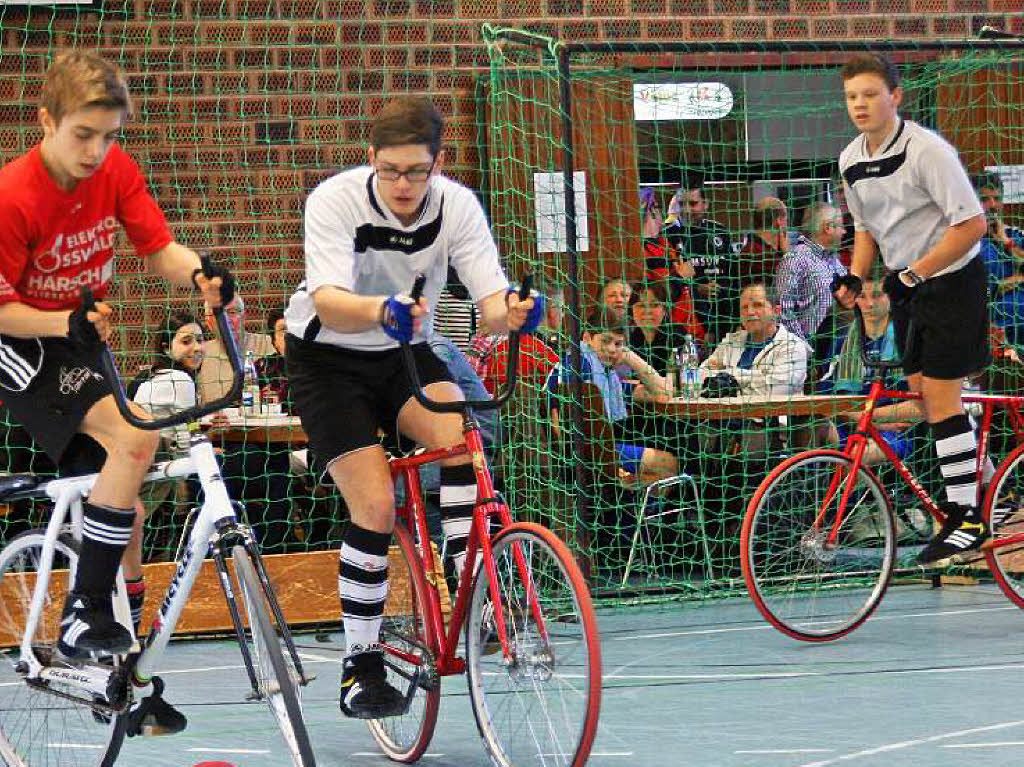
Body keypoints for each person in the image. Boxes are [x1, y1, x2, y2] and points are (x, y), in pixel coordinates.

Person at [282, 96, 541, 719]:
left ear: (438, 164)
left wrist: (517, 311)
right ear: (371, 161)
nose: (403, 184)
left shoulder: (457, 205)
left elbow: (489, 304)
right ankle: (361, 664)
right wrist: (383, 310)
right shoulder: (335, 199)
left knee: (459, 432)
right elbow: (328, 299)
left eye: (417, 172)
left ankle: (464, 578)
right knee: (374, 504)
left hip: (403, 349)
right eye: (391, 171)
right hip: (328, 355)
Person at [0, 50, 231, 673]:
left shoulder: (115, 170)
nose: (96, 151)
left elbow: (158, 249)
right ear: (46, 122)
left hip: (77, 337)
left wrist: (200, 273)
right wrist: (61, 322)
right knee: (133, 438)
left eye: (109, 137)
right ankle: (83, 610)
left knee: (121, 489)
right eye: (83, 134)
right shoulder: (12, 195)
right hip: (21, 343)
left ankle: (123, 667)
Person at [832, 52, 991, 564]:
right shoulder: (850, 159)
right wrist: (857, 275)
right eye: (852, 96)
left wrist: (917, 271)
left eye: (870, 94)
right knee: (925, 395)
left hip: (951, 279)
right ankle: (988, 480)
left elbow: (971, 225)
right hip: (906, 285)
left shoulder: (927, 151)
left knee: (942, 397)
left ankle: (967, 520)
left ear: (895, 97)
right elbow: (865, 229)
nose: (860, 104)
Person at [126, 311, 204, 633]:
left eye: (200, 340)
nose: (196, 347)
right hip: (158, 470)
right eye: (186, 341)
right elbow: (185, 440)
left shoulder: (151, 376)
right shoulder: (179, 379)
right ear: (165, 346)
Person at [199, 295, 291, 555]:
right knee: (265, 467)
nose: (229, 319)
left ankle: (272, 550)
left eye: (234, 312)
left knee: (276, 464)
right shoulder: (201, 355)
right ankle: (236, 548)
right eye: (220, 313)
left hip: (271, 440)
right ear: (208, 322)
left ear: (245, 315)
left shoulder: (268, 345)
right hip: (222, 447)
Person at [545, 306, 678, 481]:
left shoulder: (607, 377)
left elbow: (664, 392)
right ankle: (640, 507)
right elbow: (557, 418)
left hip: (595, 451)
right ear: (587, 338)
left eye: (618, 344)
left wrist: (630, 357)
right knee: (667, 463)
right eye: (606, 341)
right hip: (582, 456)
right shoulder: (579, 366)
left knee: (659, 460)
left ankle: (636, 506)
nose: (612, 349)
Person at [663, 184, 735, 340]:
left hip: (722, 319)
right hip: (685, 325)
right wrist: (697, 289)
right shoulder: (668, 235)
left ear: (706, 204)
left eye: (693, 204)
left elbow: (733, 276)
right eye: (682, 204)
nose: (687, 210)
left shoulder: (719, 232)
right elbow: (663, 285)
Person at [775, 203, 848, 341]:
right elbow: (784, 310)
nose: (844, 232)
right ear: (828, 228)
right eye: (841, 226)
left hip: (838, 344)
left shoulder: (834, 261)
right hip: (812, 350)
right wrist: (804, 348)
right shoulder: (795, 260)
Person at [973, 171, 1024, 346]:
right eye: (984, 199)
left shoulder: (1013, 235)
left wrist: (1005, 241)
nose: (992, 205)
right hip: (988, 325)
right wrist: (1000, 287)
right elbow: (986, 293)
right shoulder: (966, 243)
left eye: (997, 198)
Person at [628, 282, 680, 377]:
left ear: (664, 310)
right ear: (632, 310)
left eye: (654, 305)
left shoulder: (677, 337)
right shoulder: (632, 338)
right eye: (641, 305)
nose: (647, 311)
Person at [737, 196, 789, 287]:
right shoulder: (757, 253)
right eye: (785, 220)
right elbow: (789, 282)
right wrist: (786, 254)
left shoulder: (754, 248)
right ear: (779, 221)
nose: (787, 225)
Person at [256, 306, 289, 411]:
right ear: (274, 340)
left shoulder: (321, 365)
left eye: (296, 329)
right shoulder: (261, 368)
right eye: (283, 330)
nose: (290, 335)